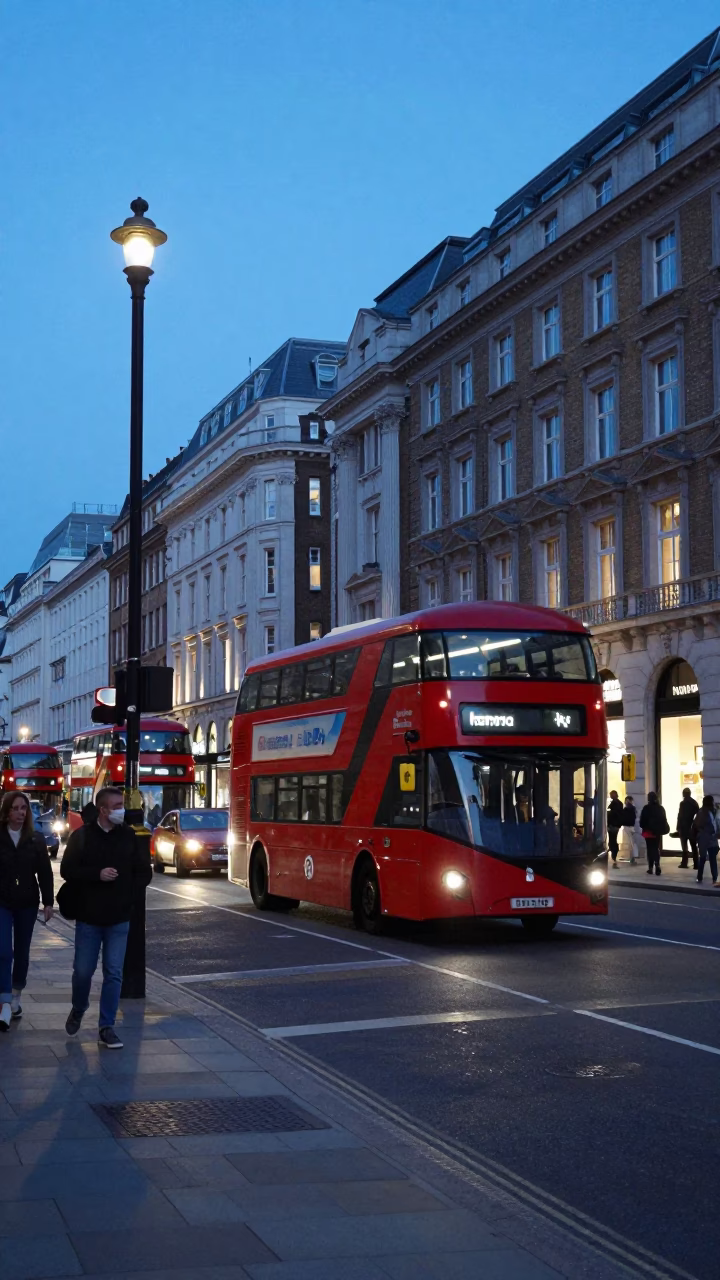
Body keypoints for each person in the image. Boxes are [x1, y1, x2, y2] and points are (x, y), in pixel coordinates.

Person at [60, 787, 151, 1050]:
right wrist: (96, 874)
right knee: (83, 971)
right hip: (89, 917)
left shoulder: (129, 837)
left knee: (113, 973)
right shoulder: (83, 836)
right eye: (117, 805)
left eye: (122, 804)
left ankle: (106, 1026)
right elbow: (68, 870)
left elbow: (143, 872)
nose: (123, 809)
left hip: (119, 918)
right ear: (103, 810)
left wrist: (129, 896)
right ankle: (79, 1007)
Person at [0, 791, 54, 1029]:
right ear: (6, 811)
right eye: (15, 808)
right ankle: (4, 1002)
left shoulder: (36, 839)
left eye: (24, 808)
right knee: (3, 952)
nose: (20, 813)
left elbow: (44, 872)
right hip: (1, 901)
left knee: (22, 951)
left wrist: (48, 902)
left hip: (27, 902)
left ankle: (16, 995)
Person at [639, 791, 669, 876]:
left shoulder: (646, 808)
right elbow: (664, 820)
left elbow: (642, 822)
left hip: (648, 832)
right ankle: (657, 864)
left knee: (649, 849)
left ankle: (650, 867)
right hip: (657, 832)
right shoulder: (660, 808)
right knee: (656, 848)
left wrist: (645, 827)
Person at [691, 795, 719, 885]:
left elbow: (697, 824)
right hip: (711, 837)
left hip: (704, 838)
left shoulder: (702, 812)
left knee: (703, 858)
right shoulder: (714, 811)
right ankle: (714, 878)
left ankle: (700, 877)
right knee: (712, 859)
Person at [676, 788, 699, 870]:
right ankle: (696, 864)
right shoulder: (694, 803)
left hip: (684, 827)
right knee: (694, 846)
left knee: (684, 847)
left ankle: (684, 863)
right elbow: (698, 815)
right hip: (692, 827)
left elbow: (680, 816)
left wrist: (678, 827)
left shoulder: (682, 803)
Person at [620, 795, 640, 866]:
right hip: (630, 826)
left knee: (632, 843)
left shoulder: (629, 808)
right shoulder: (633, 809)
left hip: (629, 826)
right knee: (631, 843)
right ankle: (632, 857)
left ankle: (633, 857)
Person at [607, 790, 624, 866]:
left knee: (612, 839)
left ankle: (614, 854)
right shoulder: (618, 803)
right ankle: (613, 854)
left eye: (611, 794)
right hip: (615, 825)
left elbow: (614, 814)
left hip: (613, 825)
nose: (610, 796)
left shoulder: (616, 804)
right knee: (613, 839)